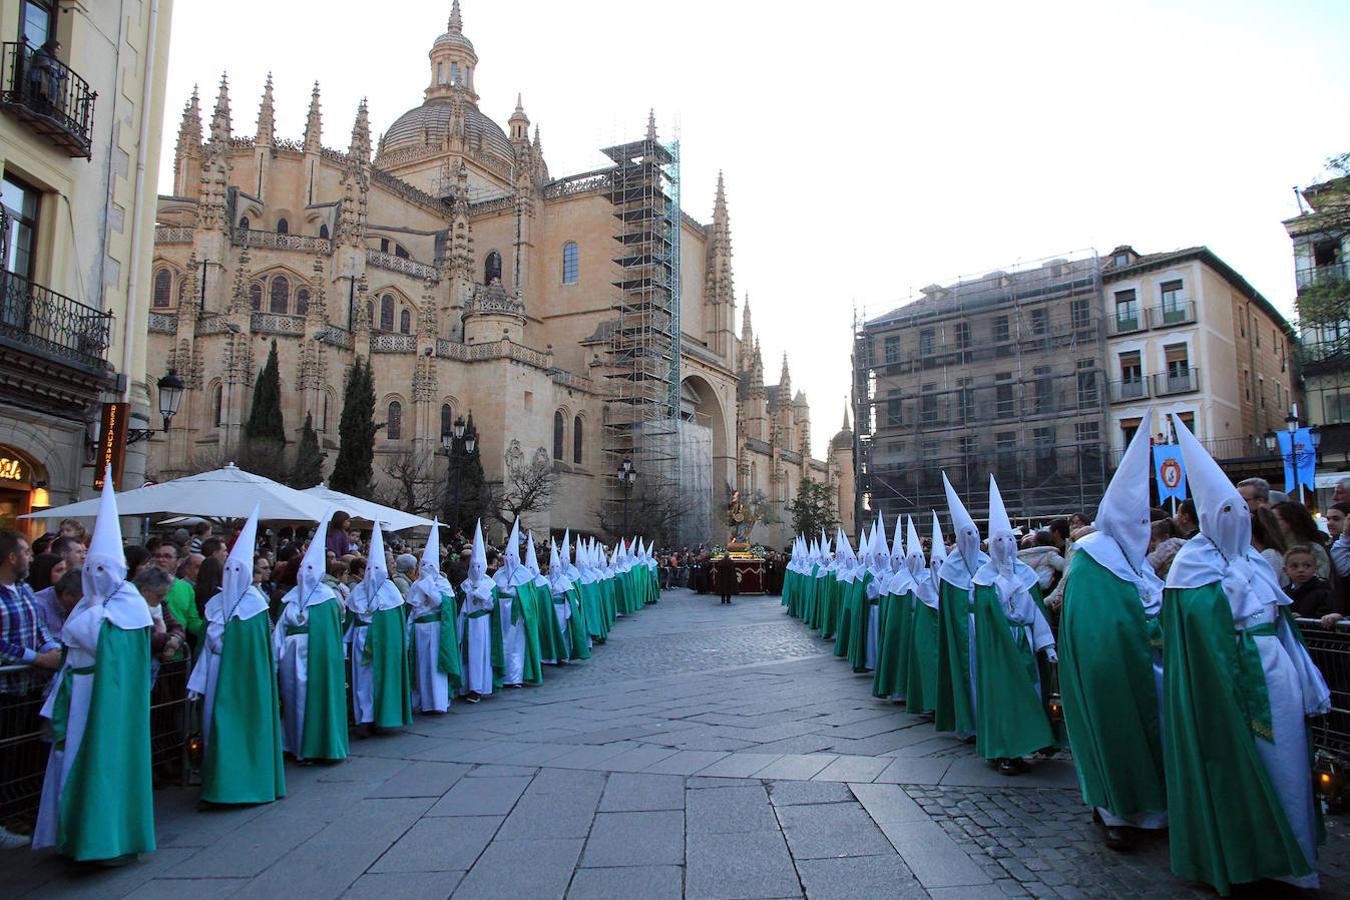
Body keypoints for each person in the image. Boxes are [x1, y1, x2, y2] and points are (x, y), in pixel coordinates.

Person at [1162, 416, 1330, 894]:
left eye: (1241, 511)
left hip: (1277, 672)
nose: (1235, 520)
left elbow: (1285, 625)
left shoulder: (1255, 561)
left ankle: (1291, 859)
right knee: (1241, 765)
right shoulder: (1191, 568)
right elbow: (1198, 632)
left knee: (1290, 766)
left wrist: (1306, 676)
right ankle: (1245, 856)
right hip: (1231, 677)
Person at [34, 471, 156, 862]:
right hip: (78, 696)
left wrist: (95, 615)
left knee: (105, 766)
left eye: (105, 571)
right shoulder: (92, 606)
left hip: (108, 702)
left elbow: (98, 643)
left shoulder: (128, 608)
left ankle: (107, 839)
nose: (97, 578)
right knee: (68, 765)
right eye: (92, 570)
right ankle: (72, 835)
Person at [1059, 415, 1168, 850]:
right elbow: (1091, 621)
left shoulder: (1137, 561)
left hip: (1154, 668)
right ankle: (1114, 811)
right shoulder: (1091, 558)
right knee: (1115, 736)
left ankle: (1158, 810)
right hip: (1113, 670)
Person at [187, 505, 285, 805]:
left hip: (241, 681)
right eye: (228, 568)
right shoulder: (217, 603)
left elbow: (253, 649)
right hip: (215, 674)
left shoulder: (254, 606)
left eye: (237, 570)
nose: (231, 574)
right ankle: (216, 781)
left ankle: (241, 782)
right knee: (211, 726)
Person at [970, 475, 1059, 775]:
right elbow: (988, 614)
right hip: (1000, 645)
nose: (1006, 545)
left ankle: (1029, 742)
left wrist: (1046, 644)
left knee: (1030, 691)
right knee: (1004, 695)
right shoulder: (983, 579)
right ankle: (1005, 749)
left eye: (1009, 539)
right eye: (999, 541)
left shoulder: (1025, 574)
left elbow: (1035, 612)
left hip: (1025, 641)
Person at [0, 530, 62, 848]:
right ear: (11, 557)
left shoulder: (23, 590)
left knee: (21, 753)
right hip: (6, 686)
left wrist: (53, 651)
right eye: (25, 551)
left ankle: (17, 810)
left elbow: (38, 627)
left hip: (29, 686)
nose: (30, 556)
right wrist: (36, 658)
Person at [273, 508, 349, 763]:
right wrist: (275, 656)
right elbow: (280, 629)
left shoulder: (327, 600)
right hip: (289, 657)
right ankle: (293, 743)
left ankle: (316, 744)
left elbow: (329, 635)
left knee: (313, 700)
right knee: (293, 701)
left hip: (315, 657)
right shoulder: (289, 599)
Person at [935, 473, 988, 739]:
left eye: (974, 534)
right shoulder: (949, 570)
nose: (970, 539)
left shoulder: (988, 564)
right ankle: (968, 722)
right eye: (965, 534)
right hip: (964, 631)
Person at [345, 520, 412, 730]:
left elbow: (397, 623)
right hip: (361, 641)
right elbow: (350, 621)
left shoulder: (391, 593)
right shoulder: (357, 592)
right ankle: (364, 717)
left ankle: (383, 714)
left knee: (382, 677)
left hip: (383, 644)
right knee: (362, 679)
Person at [405, 522, 460, 714]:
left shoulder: (442, 584)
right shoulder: (415, 585)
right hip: (419, 629)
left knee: (436, 665)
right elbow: (413, 608)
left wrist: (428, 586)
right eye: (423, 565)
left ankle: (437, 701)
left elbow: (441, 603)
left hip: (436, 629)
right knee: (421, 666)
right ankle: (420, 700)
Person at [494, 519, 541, 686]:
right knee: (502, 644)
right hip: (500, 616)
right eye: (507, 556)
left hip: (517, 617)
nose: (509, 559)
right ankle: (500, 674)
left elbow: (529, 601)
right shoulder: (498, 575)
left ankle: (515, 677)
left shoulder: (525, 576)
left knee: (516, 646)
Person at [461, 521, 498, 702]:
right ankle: (465, 685)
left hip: (481, 624)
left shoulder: (490, 584)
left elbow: (492, 605)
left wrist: (481, 597)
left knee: (478, 655)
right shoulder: (465, 584)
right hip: (466, 622)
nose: (475, 570)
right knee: (466, 655)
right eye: (472, 566)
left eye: (478, 566)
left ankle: (478, 687)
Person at [154, 542, 203, 654]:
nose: (161, 560)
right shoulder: (142, 586)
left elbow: (192, 621)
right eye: (158, 556)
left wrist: (210, 628)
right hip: (149, 653)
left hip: (177, 654)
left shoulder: (186, 588)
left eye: (167, 556)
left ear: (179, 562)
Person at [1271, 501, 1331, 581]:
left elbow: (1320, 580)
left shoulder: (1314, 549)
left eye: (1275, 520)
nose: (1270, 524)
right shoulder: (1271, 549)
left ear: (1291, 521)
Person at [1283, 546, 1337, 619]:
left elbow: (1327, 618)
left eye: (1307, 566)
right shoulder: (1283, 592)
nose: (1301, 570)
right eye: (1294, 566)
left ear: (1315, 568)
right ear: (1285, 570)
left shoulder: (1324, 592)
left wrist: (1303, 617)